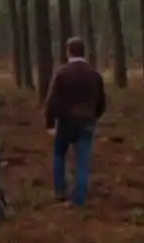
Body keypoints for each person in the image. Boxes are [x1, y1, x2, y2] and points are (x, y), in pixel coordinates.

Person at [42, 36, 106, 206]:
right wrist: (94, 117)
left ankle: (60, 190)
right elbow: (101, 101)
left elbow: (52, 100)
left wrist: (50, 123)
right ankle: (79, 198)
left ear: (68, 52)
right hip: (86, 123)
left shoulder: (62, 73)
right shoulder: (94, 74)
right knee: (83, 161)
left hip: (66, 123)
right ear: (83, 52)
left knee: (59, 155)